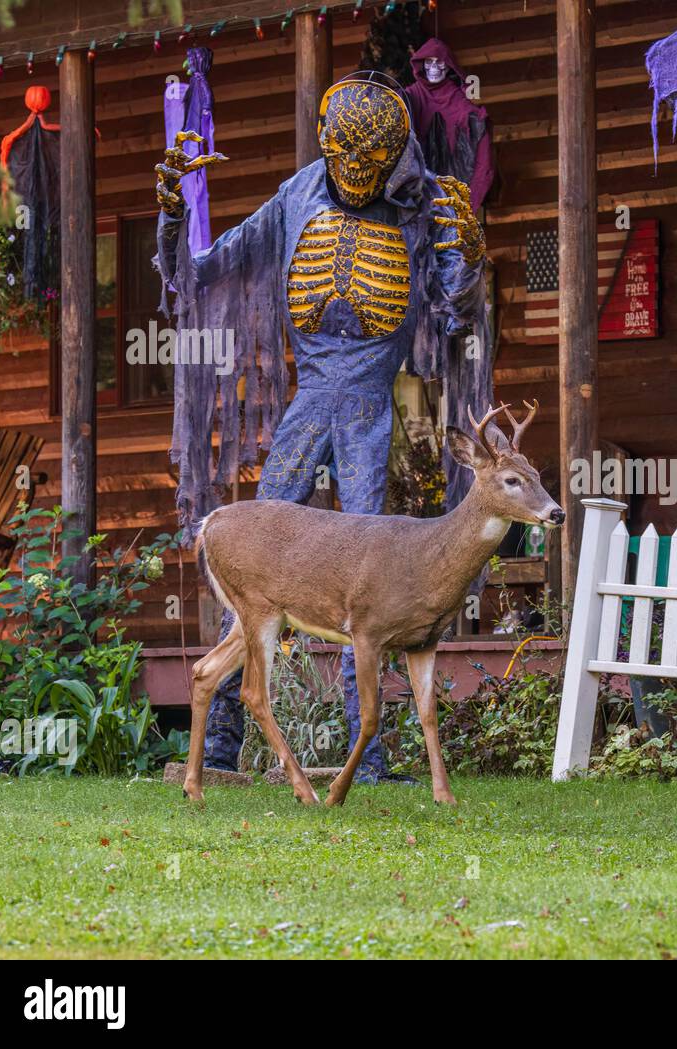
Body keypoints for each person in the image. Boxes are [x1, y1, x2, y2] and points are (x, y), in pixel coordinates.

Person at [155, 70, 490, 782]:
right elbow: (206, 271)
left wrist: (470, 256)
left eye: (369, 166)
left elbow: (458, 310)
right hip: (311, 398)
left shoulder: (421, 201)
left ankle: (361, 754)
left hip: (369, 400)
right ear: (329, 149)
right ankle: (218, 744)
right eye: (345, 161)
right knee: (257, 557)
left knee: (372, 572)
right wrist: (171, 214)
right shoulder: (298, 195)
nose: (356, 176)